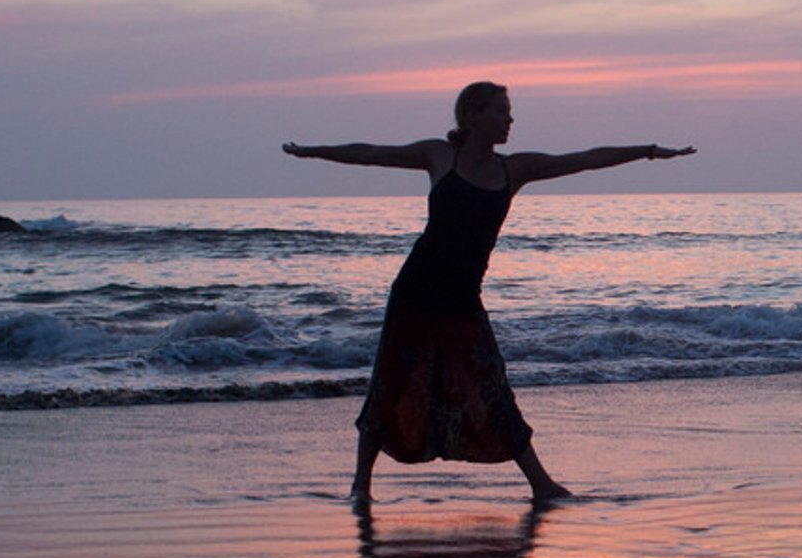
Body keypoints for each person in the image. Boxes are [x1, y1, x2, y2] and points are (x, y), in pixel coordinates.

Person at [283, 81, 694, 505]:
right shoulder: (440, 156)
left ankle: (542, 485)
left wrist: (647, 150)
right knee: (391, 385)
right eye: (501, 111)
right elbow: (370, 154)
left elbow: (585, 160)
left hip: (463, 300)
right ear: (473, 116)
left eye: (509, 112)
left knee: (491, 388)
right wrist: (314, 151)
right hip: (415, 292)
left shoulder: (513, 170)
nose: (510, 120)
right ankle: (361, 487)